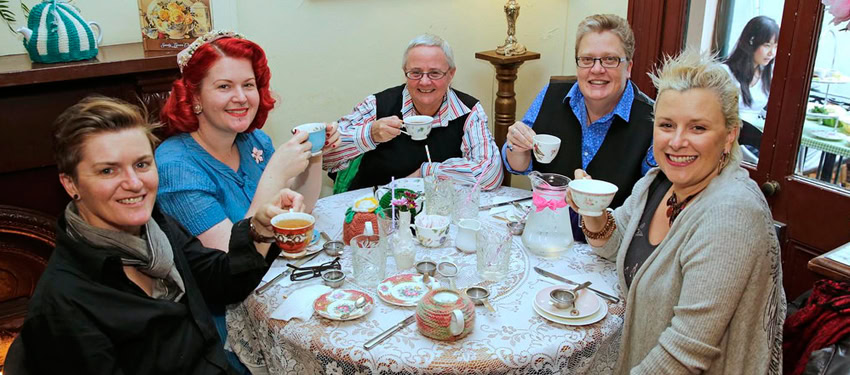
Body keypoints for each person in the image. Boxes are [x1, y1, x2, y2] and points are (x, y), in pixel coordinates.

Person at [20, 96, 300, 374]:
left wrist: (260, 230)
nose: (134, 183)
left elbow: (222, 281)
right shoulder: (62, 304)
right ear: (71, 184)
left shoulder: (157, 226)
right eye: (108, 170)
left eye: (142, 164)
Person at [574, 51, 785, 374]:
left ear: (730, 135)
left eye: (697, 128)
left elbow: (685, 353)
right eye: (666, 125)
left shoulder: (730, 214)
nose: (676, 141)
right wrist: (592, 208)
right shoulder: (657, 185)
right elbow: (614, 243)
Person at [155, 30, 339, 373]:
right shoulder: (175, 165)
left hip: (273, 285)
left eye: (248, 85)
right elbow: (229, 258)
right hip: (225, 318)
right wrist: (274, 174)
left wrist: (314, 154)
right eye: (224, 86)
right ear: (194, 96)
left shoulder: (253, 140)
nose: (240, 97)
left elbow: (300, 213)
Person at [503, 14, 655, 242]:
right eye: (587, 59)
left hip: (611, 247)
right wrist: (516, 146)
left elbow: (654, 201)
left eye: (610, 59)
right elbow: (518, 166)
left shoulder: (652, 119)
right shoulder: (551, 95)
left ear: (629, 67)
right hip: (547, 236)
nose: (596, 69)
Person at [322, 33, 503, 192]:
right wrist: (369, 134)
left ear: (451, 74)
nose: (424, 82)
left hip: (438, 213)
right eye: (415, 73)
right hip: (375, 212)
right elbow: (325, 158)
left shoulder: (468, 111)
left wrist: (427, 171)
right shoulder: (377, 105)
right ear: (405, 73)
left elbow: (489, 174)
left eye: (434, 73)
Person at [723, 15, 779, 118]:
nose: (772, 53)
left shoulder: (766, 75)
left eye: (775, 47)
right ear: (751, 42)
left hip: (754, 131)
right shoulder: (725, 72)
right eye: (767, 45)